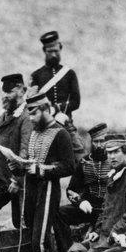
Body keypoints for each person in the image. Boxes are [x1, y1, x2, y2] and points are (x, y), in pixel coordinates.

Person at [8, 93, 75, 252]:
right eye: (29, 113)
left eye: (34, 113)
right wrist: (17, 167)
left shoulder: (60, 134)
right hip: (30, 191)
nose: (31, 118)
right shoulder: (35, 133)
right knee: (31, 237)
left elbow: (68, 166)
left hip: (47, 191)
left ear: (46, 109)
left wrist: (42, 170)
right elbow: (30, 162)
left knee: (40, 241)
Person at [0, 73, 32, 235]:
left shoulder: (27, 116)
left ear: (21, 90)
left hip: (18, 179)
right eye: (4, 92)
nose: (5, 96)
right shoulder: (6, 114)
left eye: (9, 92)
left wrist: (17, 180)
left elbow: (26, 149)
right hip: (3, 177)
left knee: (20, 220)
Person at [85, 133, 126, 252]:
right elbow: (106, 207)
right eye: (109, 153)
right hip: (105, 236)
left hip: (122, 238)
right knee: (74, 251)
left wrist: (112, 233)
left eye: (116, 152)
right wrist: (97, 231)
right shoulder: (114, 173)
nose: (112, 157)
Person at [54, 122, 110, 252]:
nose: (100, 144)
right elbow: (71, 189)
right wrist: (80, 202)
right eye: (96, 141)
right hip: (89, 208)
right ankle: (67, 249)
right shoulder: (84, 162)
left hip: (108, 209)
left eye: (103, 141)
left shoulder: (115, 160)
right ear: (92, 142)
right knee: (59, 213)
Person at [29, 30, 83, 158]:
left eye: (56, 51)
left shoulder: (69, 74)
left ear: (60, 48)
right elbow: (32, 103)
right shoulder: (36, 75)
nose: (53, 54)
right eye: (50, 51)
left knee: (80, 157)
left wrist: (57, 109)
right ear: (44, 51)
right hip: (44, 124)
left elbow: (76, 102)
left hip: (65, 122)